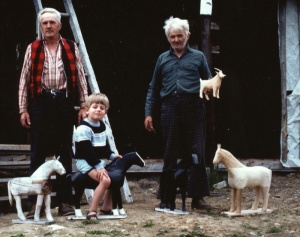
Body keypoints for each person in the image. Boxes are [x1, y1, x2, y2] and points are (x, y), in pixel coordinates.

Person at [18, 8, 88, 218]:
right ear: (41, 26)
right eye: (44, 23)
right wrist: (23, 109)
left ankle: (64, 201)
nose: (48, 26)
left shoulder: (70, 46)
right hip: (41, 102)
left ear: (59, 25)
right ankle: (34, 204)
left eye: (52, 23)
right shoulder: (33, 48)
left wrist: (84, 104)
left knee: (64, 152)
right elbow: (24, 79)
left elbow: (81, 77)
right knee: (37, 152)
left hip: (64, 102)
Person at [144, 16, 212, 210]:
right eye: (172, 37)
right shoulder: (162, 59)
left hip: (194, 109)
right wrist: (148, 113)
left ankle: (197, 197)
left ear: (187, 35)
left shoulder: (198, 57)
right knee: (170, 153)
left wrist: (209, 88)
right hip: (169, 108)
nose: (176, 40)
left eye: (179, 36)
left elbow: (208, 81)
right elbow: (153, 87)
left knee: (197, 152)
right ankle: (166, 198)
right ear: (168, 38)